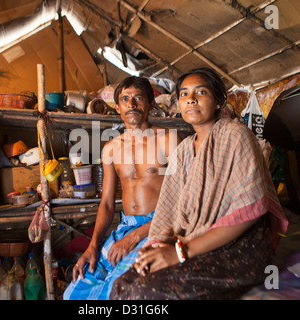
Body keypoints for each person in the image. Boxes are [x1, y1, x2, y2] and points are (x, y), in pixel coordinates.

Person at [110, 68, 289, 300]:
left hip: (239, 247)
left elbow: (251, 209)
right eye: (184, 94)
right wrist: (155, 246)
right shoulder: (184, 150)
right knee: (123, 285)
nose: (191, 99)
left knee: (147, 291)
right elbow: (168, 208)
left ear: (218, 101)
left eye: (201, 92)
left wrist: (179, 253)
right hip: (193, 239)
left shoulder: (236, 136)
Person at [63, 76, 179, 300]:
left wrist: (135, 237)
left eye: (138, 98)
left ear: (151, 103)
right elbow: (107, 203)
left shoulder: (169, 140)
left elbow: (182, 200)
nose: (132, 104)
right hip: (125, 227)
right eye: (125, 99)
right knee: (74, 292)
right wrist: (93, 246)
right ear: (117, 107)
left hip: (158, 226)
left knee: (117, 289)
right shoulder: (111, 149)